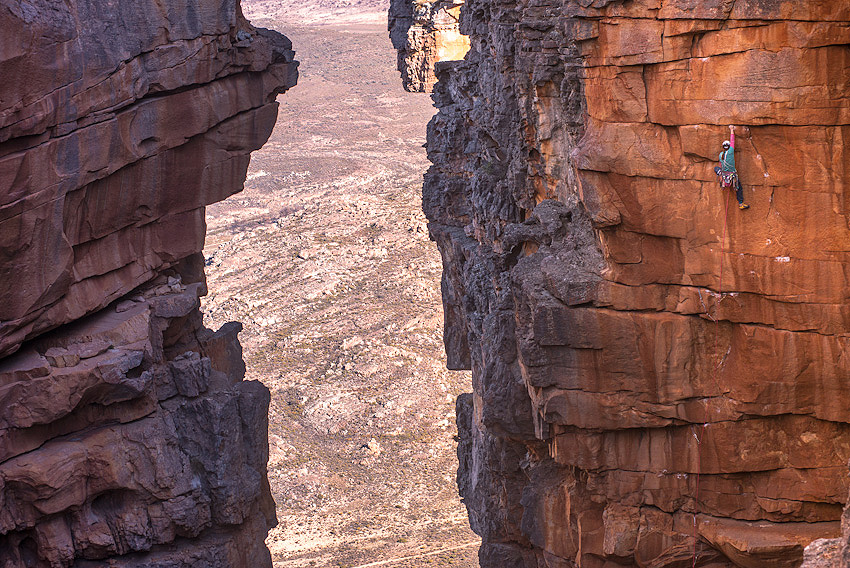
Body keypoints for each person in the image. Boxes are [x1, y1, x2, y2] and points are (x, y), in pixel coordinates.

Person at [715, 125, 749, 210]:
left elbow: (720, 164)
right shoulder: (730, 152)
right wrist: (731, 130)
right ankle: (741, 203)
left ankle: (720, 173)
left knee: (716, 168)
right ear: (729, 146)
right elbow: (732, 140)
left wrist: (721, 173)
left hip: (724, 175)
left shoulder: (721, 155)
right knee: (739, 188)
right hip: (732, 176)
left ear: (723, 147)